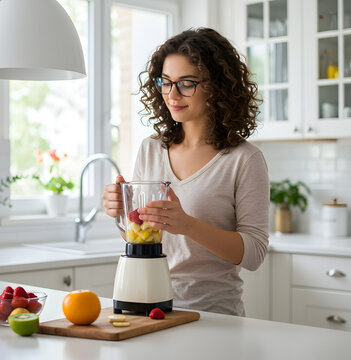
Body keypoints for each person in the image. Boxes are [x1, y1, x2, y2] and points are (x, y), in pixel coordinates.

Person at [102, 28, 269, 316]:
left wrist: (187, 225)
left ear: (217, 86)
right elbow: (143, 236)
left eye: (186, 83)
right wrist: (121, 213)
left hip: (212, 315)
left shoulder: (244, 159)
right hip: (148, 308)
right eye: (165, 83)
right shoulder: (151, 149)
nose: (172, 94)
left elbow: (254, 253)